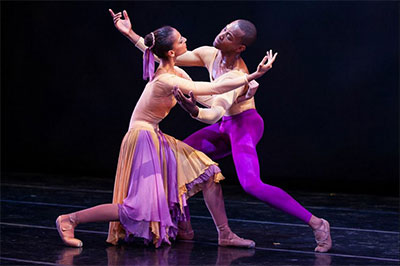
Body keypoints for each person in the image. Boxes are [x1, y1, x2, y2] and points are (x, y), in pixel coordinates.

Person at [109, 9, 332, 253]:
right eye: (224, 29)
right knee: (175, 162)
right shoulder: (209, 53)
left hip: (244, 125)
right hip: (224, 125)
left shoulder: (239, 75)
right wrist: (130, 33)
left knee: (251, 184)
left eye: (229, 36)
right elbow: (164, 56)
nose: (222, 34)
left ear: (239, 47)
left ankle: (318, 224)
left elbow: (214, 112)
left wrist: (194, 111)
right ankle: (186, 227)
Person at [56, 25, 277, 249]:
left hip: (155, 135)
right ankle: (70, 219)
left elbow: (209, 97)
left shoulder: (176, 73)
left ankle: (223, 233)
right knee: (138, 208)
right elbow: (212, 88)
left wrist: (241, 98)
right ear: (171, 52)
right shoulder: (167, 80)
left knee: (209, 174)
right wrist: (252, 75)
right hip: (142, 137)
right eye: (181, 40)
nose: (186, 41)